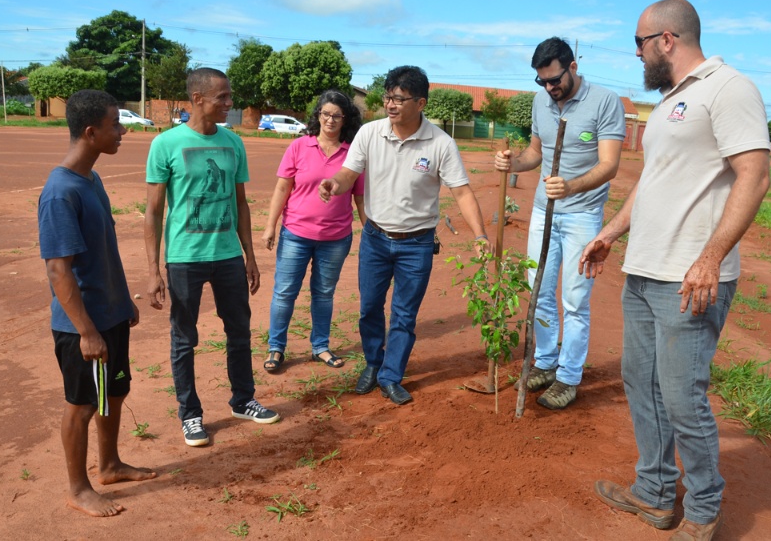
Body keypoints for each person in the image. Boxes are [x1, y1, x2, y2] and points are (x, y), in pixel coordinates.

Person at [580, 0, 770, 540]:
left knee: (683, 395)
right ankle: (656, 493)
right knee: (642, 384)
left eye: (638, 42)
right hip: (645, 271)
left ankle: (705, 511)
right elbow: (651, 181)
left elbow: (753, 175)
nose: (636, 53)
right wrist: (610, 234)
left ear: (666, 39)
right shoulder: (666, 104)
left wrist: (710, 258)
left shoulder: (727, 87)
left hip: (690, 277)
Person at [319, 65, 489, 406]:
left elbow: (463, 193)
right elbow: (349, 173)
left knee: (404, 315)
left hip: (417, 244)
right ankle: (372, 362)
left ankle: (390, 375)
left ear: (420, 102)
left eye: (399, 98)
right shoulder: (370, 133)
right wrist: (334, 184)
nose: (391, 105)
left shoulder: (441, 144)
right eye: (388, 97)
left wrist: (480, 235)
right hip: (376, 238)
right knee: (369, 307)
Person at [145, 67, 280, 448]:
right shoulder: (166, 144)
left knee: (239, 331)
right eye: (222, 97)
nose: (229, 103)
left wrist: (249, 256)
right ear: (198, 99)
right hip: (185, 258)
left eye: (228, 95)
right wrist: (154, 270)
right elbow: (153, 211)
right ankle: (190, 415)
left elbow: (240, 203)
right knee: (184, 339)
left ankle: (243, 400)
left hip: (227, 257)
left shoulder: (233, 143)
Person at [38, 89, 156, 517]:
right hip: (80, 325)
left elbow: (103, 250)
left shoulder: (92, 179)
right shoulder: (60, 193)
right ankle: (78, 488)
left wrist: (123, 302)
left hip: (110, 314)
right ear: (91, 132)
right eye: (115, 124)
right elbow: (59, 270)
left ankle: (109, 465)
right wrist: (87, 331)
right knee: (83, 403)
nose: (122, 131)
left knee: (115, 392)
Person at [493, 37, 625, 410]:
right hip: (542, 213)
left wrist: (570, 187)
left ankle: (568, 377)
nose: (550, 88)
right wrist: (513, 163)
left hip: (583, 215)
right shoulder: (541, 101)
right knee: (538, 289)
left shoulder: (604, 102)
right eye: (542, 82)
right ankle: (547, 362)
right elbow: (535, 153)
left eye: (555, 80)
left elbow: (609, 164)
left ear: (573, 67)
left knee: (575, 299)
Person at [261, 90, 366, 372]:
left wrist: (369, 231)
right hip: (295, 233)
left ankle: (320, 346)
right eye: (326, 114)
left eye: (337, 115)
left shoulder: (353, 152)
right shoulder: (298, 147)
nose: (330, 120)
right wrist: (271, 226)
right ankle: (276, 347)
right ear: (317, 115)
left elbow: (359, 197)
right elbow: (283, 187)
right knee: (284, 292)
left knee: (323, 293)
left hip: (335, 239)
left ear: (346, 119)